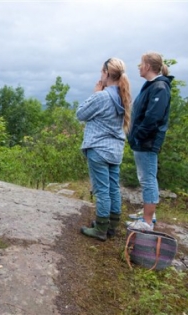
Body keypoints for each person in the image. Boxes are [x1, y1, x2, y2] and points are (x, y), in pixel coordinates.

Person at [77, 58, 132, 241]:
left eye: (102, 71)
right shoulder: (123, 96)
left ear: (107, 73)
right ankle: (112, 226)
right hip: (115, 150)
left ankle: (100, 229)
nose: (100, 74)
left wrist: (95, 93)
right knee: (113, 189)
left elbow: (80, 114)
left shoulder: (102, 96)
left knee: (102, 190)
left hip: (98, 149)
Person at [126, 52, 173, 231]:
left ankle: (146, 222)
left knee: (148, 179)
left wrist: (138, 135)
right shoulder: (152, 85)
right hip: (142, 141)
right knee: (145, 177)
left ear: (147, 66)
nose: (139, 66)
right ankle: (147, 214)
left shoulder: (159, 87)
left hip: (147, 142)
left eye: (141, 63)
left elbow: (153, 117)